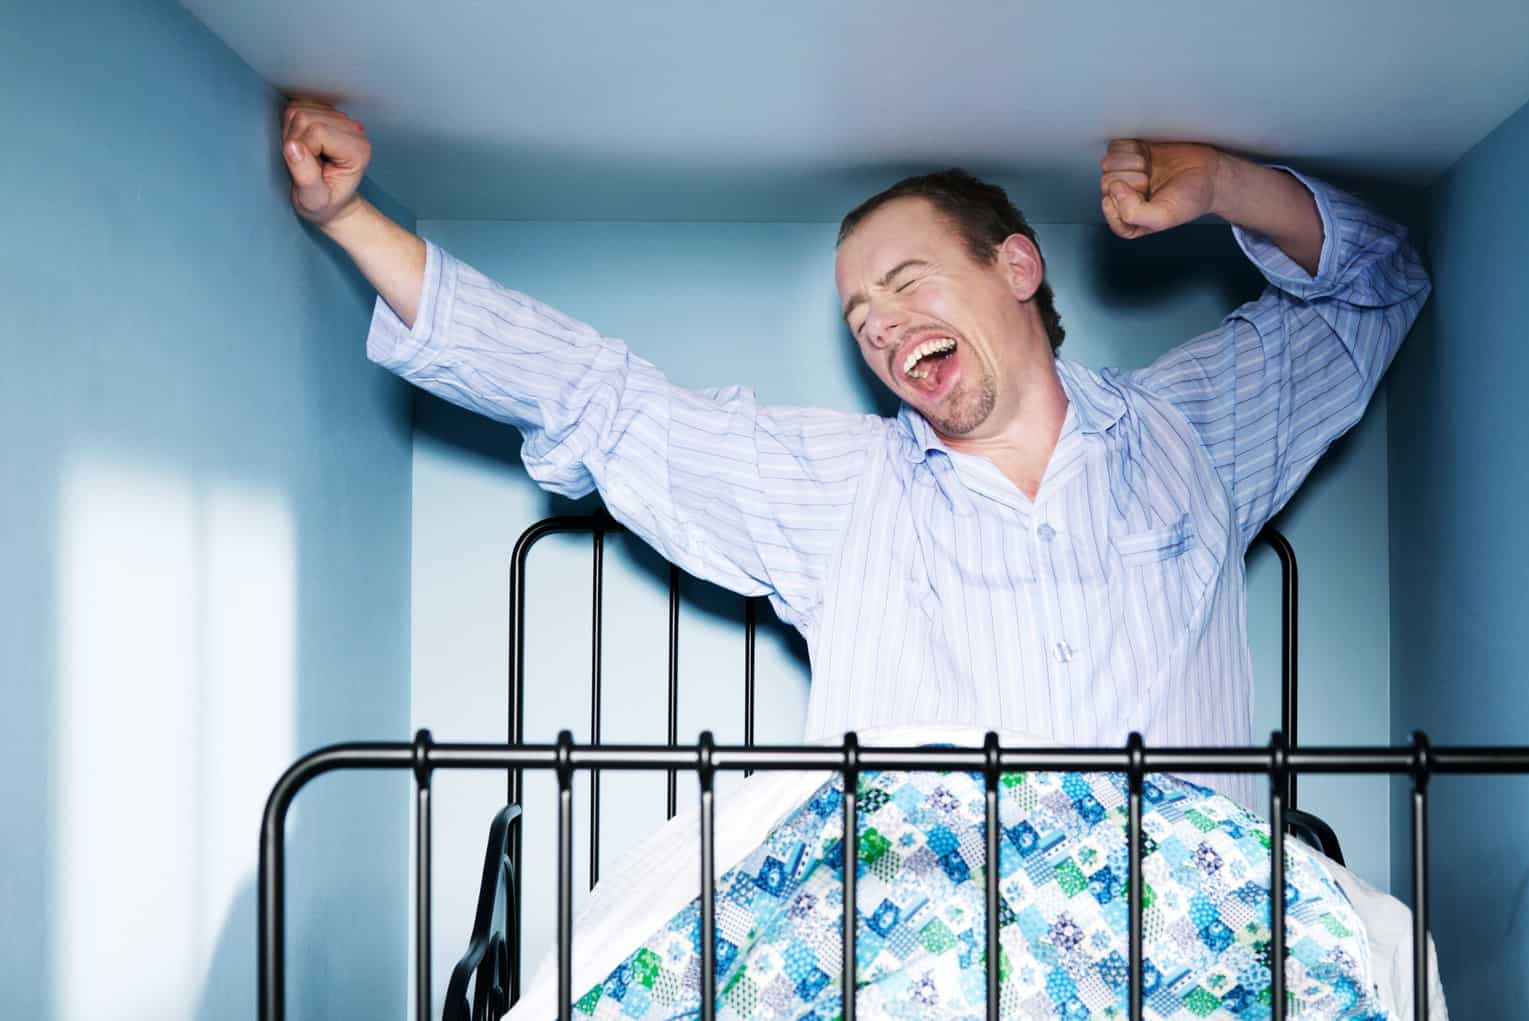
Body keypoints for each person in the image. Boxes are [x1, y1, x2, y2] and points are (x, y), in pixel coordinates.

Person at [281, 100, 1427, 810]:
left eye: (905, 282)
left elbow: (1379, 287)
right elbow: (601, 398)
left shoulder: (1194, 431)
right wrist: (350, 222)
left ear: (1017, 269)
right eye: (858, 316)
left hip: (1179, 943)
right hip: (927, 956)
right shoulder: (838, 491)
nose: (878, 323)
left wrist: (1225, 182)